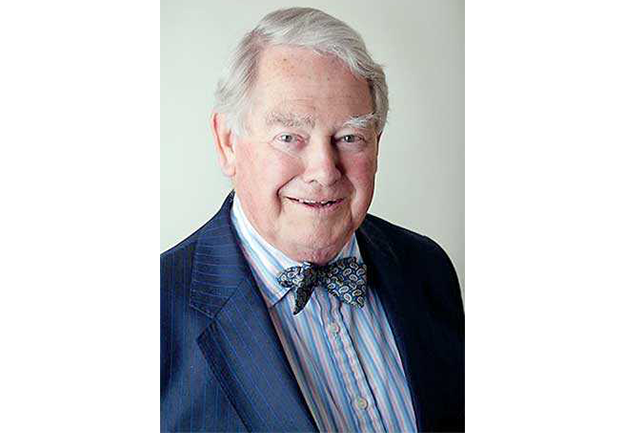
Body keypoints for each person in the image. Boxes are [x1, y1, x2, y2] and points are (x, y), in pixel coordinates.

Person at [161, 7, 464, 432]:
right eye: (289, 137)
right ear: (228, 142)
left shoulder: (427, 268)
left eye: (349, 137)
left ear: (377, 144)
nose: (324, 170)